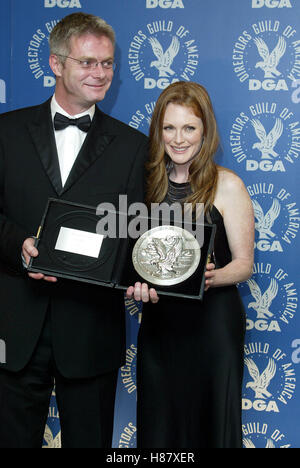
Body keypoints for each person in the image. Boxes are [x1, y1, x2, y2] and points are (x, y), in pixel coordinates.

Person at [0, 12, 148, 448]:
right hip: (15, 326)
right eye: (87, 62)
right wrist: (19, 247)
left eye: (107, 64)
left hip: (90, 332)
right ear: (56, 64)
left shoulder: (133, 146)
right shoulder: (5, 132)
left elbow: (134, 233)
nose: (100, 73)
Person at [127, 81, 254, 448]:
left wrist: (208, 277)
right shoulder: (145, 188)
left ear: (205, 131)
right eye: (169, 128)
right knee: (160, 426)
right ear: (158, 131)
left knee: (211, 426)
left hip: (213, 327)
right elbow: (135, 259)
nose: (178, 139)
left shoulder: (227, 185)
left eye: (189, 128)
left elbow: (244, 265)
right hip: (160, 326)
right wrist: (134, 285)